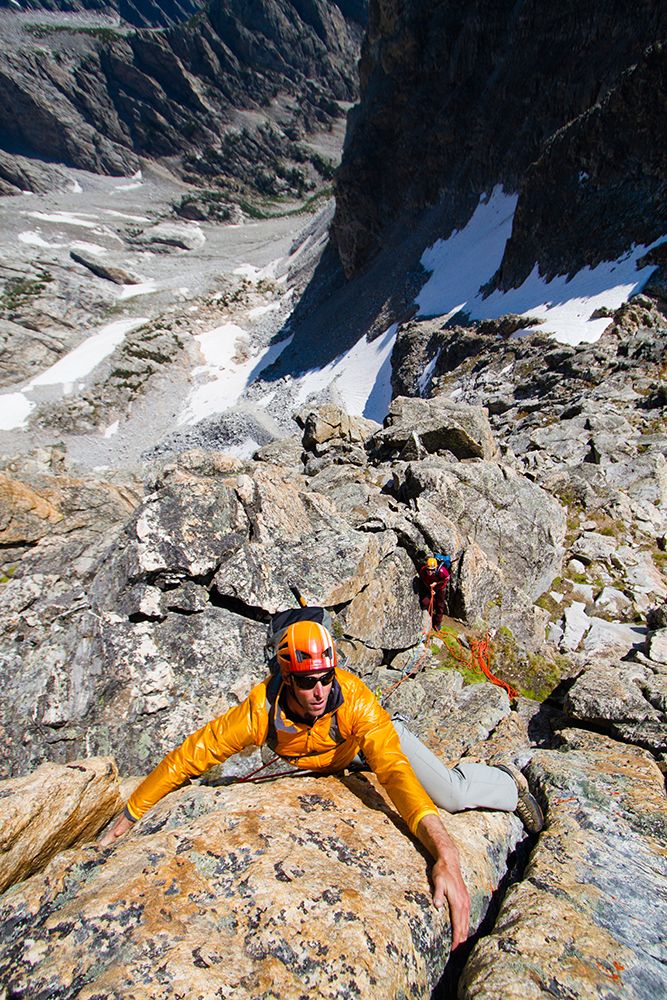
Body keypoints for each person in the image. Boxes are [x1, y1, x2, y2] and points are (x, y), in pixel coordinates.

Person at [99, 621, 543, 949]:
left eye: (326, 678)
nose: (318, 690)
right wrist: (129, 814)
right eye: (307, 682)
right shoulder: (260, 710)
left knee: (451, 794)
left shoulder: (356, 703)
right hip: (323, 763)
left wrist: (446, 854)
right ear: (286, 679)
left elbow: (394, 773)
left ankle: (505, 784)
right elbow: (193, 755)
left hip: (374, 744)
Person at [419, 556, 450, 630]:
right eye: (428, 570)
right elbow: (423, 580)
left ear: (435, 569)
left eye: (432, 570)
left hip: (440, 588)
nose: (430, 572)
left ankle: (437, 622)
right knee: (425, 602)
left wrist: (436, 583)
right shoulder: (423, 571)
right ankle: (431, 614)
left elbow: (447, 578)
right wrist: (430, 589)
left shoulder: (442, 571)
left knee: (440, 606)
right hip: (430, 588)